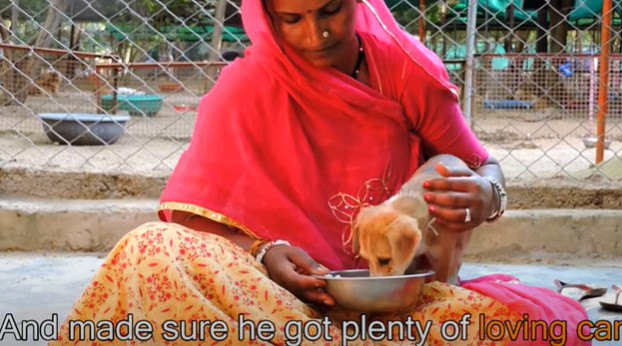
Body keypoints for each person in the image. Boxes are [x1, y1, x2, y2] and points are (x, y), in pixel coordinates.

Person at [53, 0, 589, 344]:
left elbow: (481, 166)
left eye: (330, 10)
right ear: (267, 16)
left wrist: (486, 194)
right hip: (270, 297)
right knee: (151, 249)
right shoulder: (244, 88)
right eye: (293, 19)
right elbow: (197, 223)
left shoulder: (404, 70)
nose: (316, 35)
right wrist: (261, 253)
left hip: (394, 305)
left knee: (512, 330)